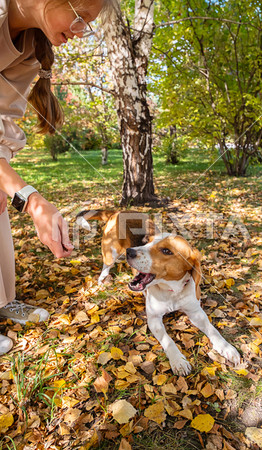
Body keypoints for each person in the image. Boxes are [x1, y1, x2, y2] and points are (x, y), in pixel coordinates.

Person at [0, 0, 106, 355]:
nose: (80, 32)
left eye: (87, 23)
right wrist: (30, 199)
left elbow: (3, 118)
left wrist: (8, 180)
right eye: (80, 18)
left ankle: (3, 299)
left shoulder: (31, 51)